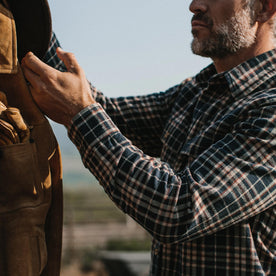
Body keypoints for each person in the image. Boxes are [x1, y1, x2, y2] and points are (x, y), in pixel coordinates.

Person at [21, 0, 276, 274]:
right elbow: (110, 118)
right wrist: (27, 15)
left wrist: (78, 112)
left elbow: (179, 209)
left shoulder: (270, 109)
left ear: (262, 7)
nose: (194, 6)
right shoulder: (195, 94)